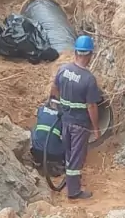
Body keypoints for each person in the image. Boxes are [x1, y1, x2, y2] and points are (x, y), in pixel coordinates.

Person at [49, 35, 102, 200]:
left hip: (66, 120)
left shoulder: (63, 70)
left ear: (76, 52)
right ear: (89, 54)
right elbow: (91, 106)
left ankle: (70, 181)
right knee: (77, 157)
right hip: (80, 124)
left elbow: (54, 88)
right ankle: (74, 191)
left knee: (69, 152)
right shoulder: (88, 79)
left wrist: (59, 104)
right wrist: (95, 127)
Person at [29, 98, 65, 177]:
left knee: (34, 128)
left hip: (36, 152)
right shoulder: (63, 116)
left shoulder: (41, 110)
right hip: (55, 155)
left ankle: (38, 161)